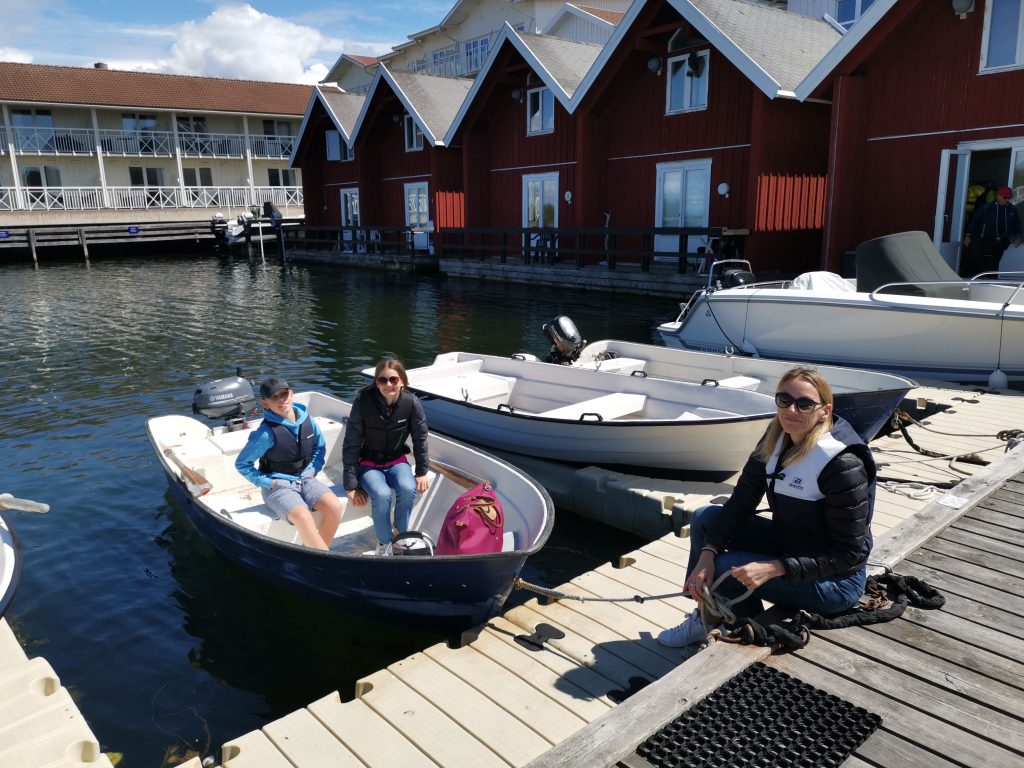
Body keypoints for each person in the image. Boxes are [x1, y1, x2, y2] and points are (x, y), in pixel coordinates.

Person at [657, 366, 876, 649]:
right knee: (705, 518)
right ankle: (709, 616)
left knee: (728, 566)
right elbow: (741, 501)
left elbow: (849, 554)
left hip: (836, 582)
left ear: (824, 410)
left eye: (804, 403)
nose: (792, 410)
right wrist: (707, 553)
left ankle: (739, 626)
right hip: (790, 544)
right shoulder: (776, 437)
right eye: (784, 400)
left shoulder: (842, 465)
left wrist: (776, 567)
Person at [235, 376, 343, 550]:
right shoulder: (265, 433)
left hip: (306, 478)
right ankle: (324, 562)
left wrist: (313, 469)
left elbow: (319, 447)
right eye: (274, 397)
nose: (281, 400)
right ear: (265, 404)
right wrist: (269, 482)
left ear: (292, 394)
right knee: (303, 516)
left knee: (334, 506)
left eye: (284, 394)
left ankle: (320, 557)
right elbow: (242, 464)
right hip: (278, 486)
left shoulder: (308, 420)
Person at [342, 358, 430, 555]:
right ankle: (384, 543)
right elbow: (351, 442)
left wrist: (422, 471)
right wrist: (350, 485)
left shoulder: (411, 402)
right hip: (368, 463)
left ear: (402, 381)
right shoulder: (363, 401)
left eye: (393, 379)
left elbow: (420, 438)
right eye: (383, 380)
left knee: (408, 488)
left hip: (397, 460)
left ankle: (401, 537)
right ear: (376, 382)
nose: (388, 384)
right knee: (382, 494)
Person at [961, 185, 1022, 276]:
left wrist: (1018, 236)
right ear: (998, 196)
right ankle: (987, 280)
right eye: (1004, 197)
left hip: (1003, 241)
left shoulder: (1012, 209)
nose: (1006, 200)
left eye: (1008, 198)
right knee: (988, 261)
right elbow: (974, 222)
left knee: (995, 261)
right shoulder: (986, 208)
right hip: (987, 240)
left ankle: (990, 279)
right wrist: (968, 236)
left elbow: (1017, 224)